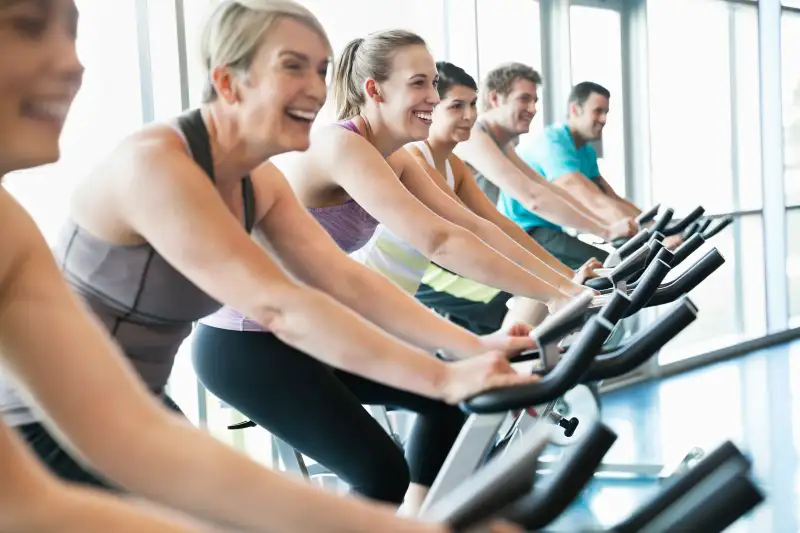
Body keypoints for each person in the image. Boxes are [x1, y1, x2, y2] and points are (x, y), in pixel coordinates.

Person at [0, 1, 526, 532]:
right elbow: (280, 305)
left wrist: (464, 357)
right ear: (228, 82)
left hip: (130, 404)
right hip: (54, 416)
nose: (317, 87)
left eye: (321, 69)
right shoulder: (156, 167)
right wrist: (442, 373)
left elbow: (343, 281)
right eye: (292, 66)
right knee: (371, 471)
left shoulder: (259, 182)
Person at [193, 28, 592, 515]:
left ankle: (420, 520)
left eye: (433, 85)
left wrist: (564, 287)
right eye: (420, 84)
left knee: (451, 395)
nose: (434, 97)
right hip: (246, 342)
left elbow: (473, 224)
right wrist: (557, 295)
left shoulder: (395, 157)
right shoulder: (341, 146)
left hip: (311, 327)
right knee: (379, 473)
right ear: (375, 90)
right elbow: (438, 240)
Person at [351, 61, 601, 334]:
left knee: (532, 297)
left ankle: (517, 363)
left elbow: (496, 224)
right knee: (528, 296)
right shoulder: (415, 158)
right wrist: (560, 286)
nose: (469, 115)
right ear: (431, 108)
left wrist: (567, 277)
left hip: (402, 290)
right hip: (378, 290)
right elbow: (466, 231)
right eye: (457, 106)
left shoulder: (453, 165)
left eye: (472, 105)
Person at [452, 62, 638, 269]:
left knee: (555, 286)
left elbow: (547, 188)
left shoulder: (504, 144)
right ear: (495, 99)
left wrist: (606, 226)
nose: (533, 109)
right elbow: (532, 198)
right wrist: (606, 231)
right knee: (587, 274)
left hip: (480, 241)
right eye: (524, 99)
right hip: (439, 254)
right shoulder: (472, 135)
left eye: (535, 101)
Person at [513, 81, 683, 250]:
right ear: (575, 110)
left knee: (625, 263)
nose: (604, 119)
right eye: (598, 111)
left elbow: (609, 197)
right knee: (609, 269)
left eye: (606, 112)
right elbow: (591, 200)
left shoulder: (586, 150)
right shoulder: (553, 143)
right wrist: (652, 236)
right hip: (525, 232)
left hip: (551, 229)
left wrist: (656, 226)